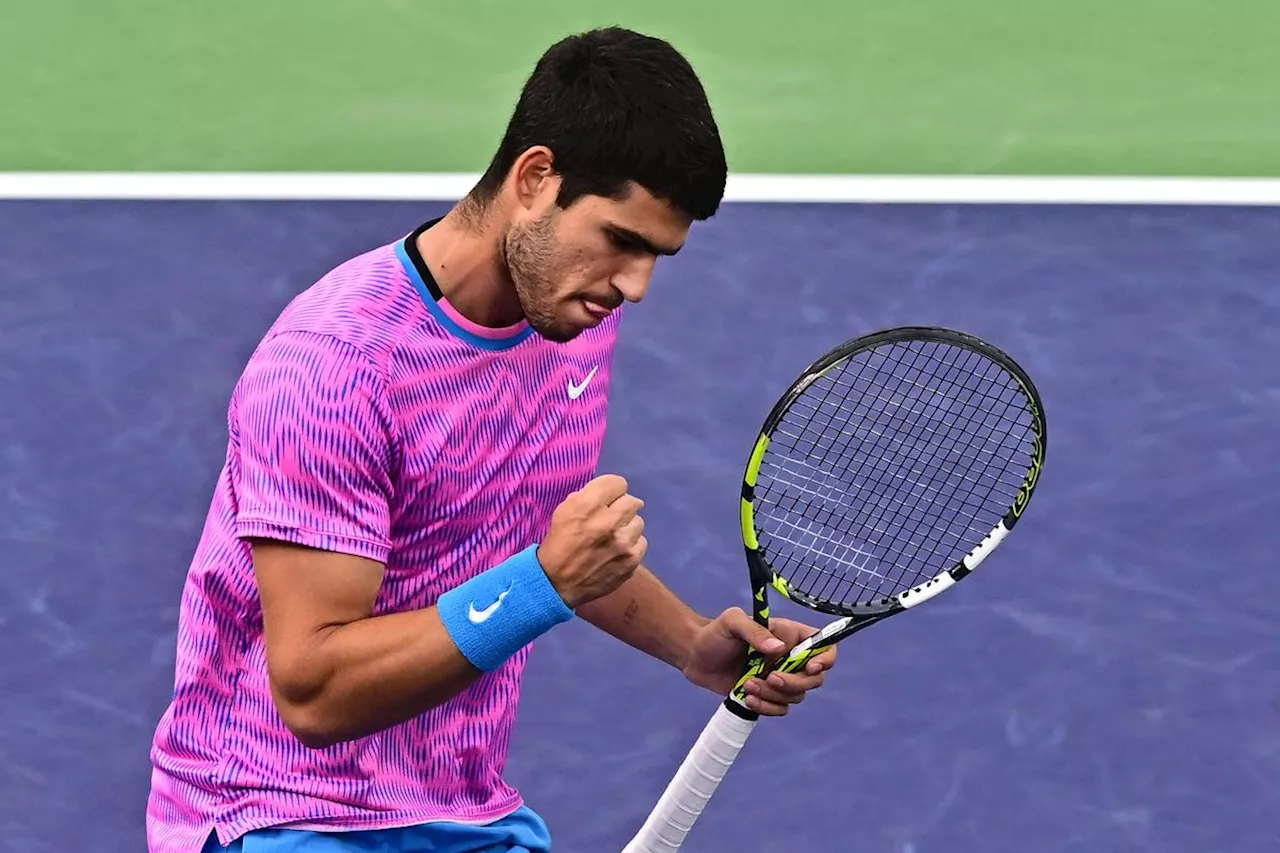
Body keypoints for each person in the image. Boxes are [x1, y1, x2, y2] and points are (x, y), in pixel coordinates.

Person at [147, 26, 837, 853]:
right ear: (535, 178)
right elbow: (315, 692)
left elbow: (534, 535)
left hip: (466, 814)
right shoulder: (334, 368)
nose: (635, 287)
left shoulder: (572, 320)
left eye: (658, 255)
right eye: (621, 240)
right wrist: (542, 584)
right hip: (282, 813)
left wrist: (691, 642)